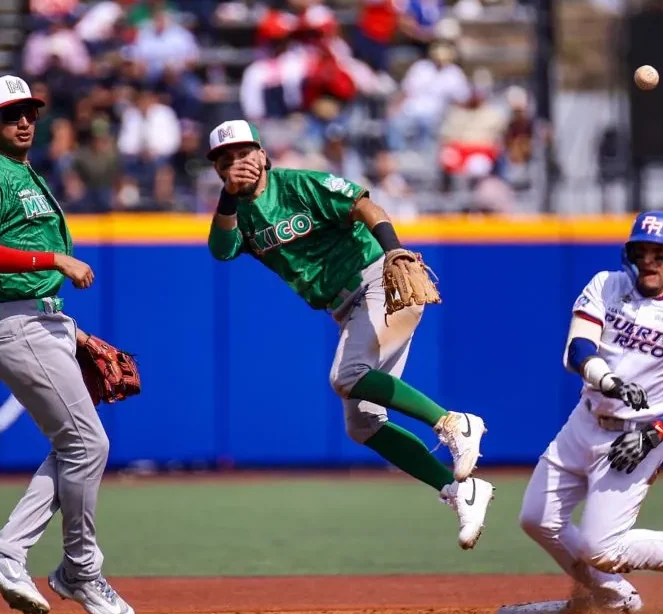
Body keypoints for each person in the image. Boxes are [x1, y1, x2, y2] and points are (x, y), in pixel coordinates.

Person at [206, 119, 494, 550]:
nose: (237, 162)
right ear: (217, 171)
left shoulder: (299, 185)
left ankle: (453, 422)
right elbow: (221, 250)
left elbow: (363, 205)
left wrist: (394, 249)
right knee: (363, 425)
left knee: (346, 375)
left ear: (263, 155)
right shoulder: (236, 214)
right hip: (346, 308)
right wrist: (229, 196)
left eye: (245, 153)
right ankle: (460, 491)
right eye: (226, 159)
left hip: (380, 282)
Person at [500, 211, 663, 614]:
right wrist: (608, 381)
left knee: (602, 548)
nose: (649, 261)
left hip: (637, 437)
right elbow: (579, 349)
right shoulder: (606, 285)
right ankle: (613, 598)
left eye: (660, 254)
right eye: (640, 252)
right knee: (536, 519)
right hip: (586, 419)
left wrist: (657, 432)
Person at [0, 74, 133, 614]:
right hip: (18, 326)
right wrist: (53, 260)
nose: (23, 121)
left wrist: (73, 331)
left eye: (29, 112)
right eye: (10, 114)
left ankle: (9, 552)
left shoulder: (25, 173)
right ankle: (79, 569)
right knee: (88, 444)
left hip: (43, 320)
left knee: (75, 446)